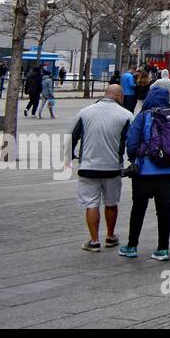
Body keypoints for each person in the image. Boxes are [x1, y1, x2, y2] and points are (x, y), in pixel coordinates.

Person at [119, 80, 170, 261]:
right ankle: (162, 249)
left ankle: (132, 246)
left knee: (138, 209)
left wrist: (134, 158)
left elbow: (132, 140)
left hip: (144, 171)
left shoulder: (143, 116)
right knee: (164, 212)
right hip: (168, 172)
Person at [70, 84, 134, 252]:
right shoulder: (126, 115)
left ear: (105, 94)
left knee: (91, 204)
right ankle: (110, 236)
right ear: (120, 97)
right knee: (111, 203)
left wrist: (71, 155)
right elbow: (132, 142)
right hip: (113, 168)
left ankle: (94, 240)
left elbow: (72, 137)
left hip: (88, 166)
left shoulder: (85, 112)